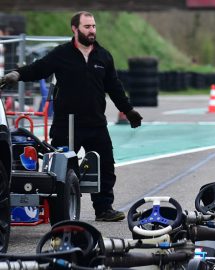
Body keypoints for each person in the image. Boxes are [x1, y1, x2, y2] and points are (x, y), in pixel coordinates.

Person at [0, 11, 142, 221]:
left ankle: (104, 209)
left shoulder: (103, 56)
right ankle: (61, 211)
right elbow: (39, 68)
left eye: (93, 26)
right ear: (75, 29)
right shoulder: (62, 54)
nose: (92, 30)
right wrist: (17, 75)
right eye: (87, 27)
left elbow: (114, 87)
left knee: (105, 168)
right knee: (62, 171)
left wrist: (129, 111)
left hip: (95, 123)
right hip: (66, 124)